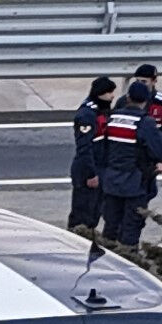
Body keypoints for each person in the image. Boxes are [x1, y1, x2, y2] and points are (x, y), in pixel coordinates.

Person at [83, 87, 162, 249]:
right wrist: (158, 162)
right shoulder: (145, 122)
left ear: (128, 97)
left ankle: (107, 260)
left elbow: (100, 146)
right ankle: (129, 261)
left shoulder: (112, 117)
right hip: (135, 183)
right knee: (131, 227)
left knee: (110, 225)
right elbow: (159, 150)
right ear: (145, 101)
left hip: (111, 181)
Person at [65, 76, 119, 236]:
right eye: (109, 92)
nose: (112, 96)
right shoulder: (87, 115)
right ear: (99, 93)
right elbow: (84, 148)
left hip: (100, 167)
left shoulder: (101, 111)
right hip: (87, 171)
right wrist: (91, 174)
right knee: (83, 214)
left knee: (94, 213)